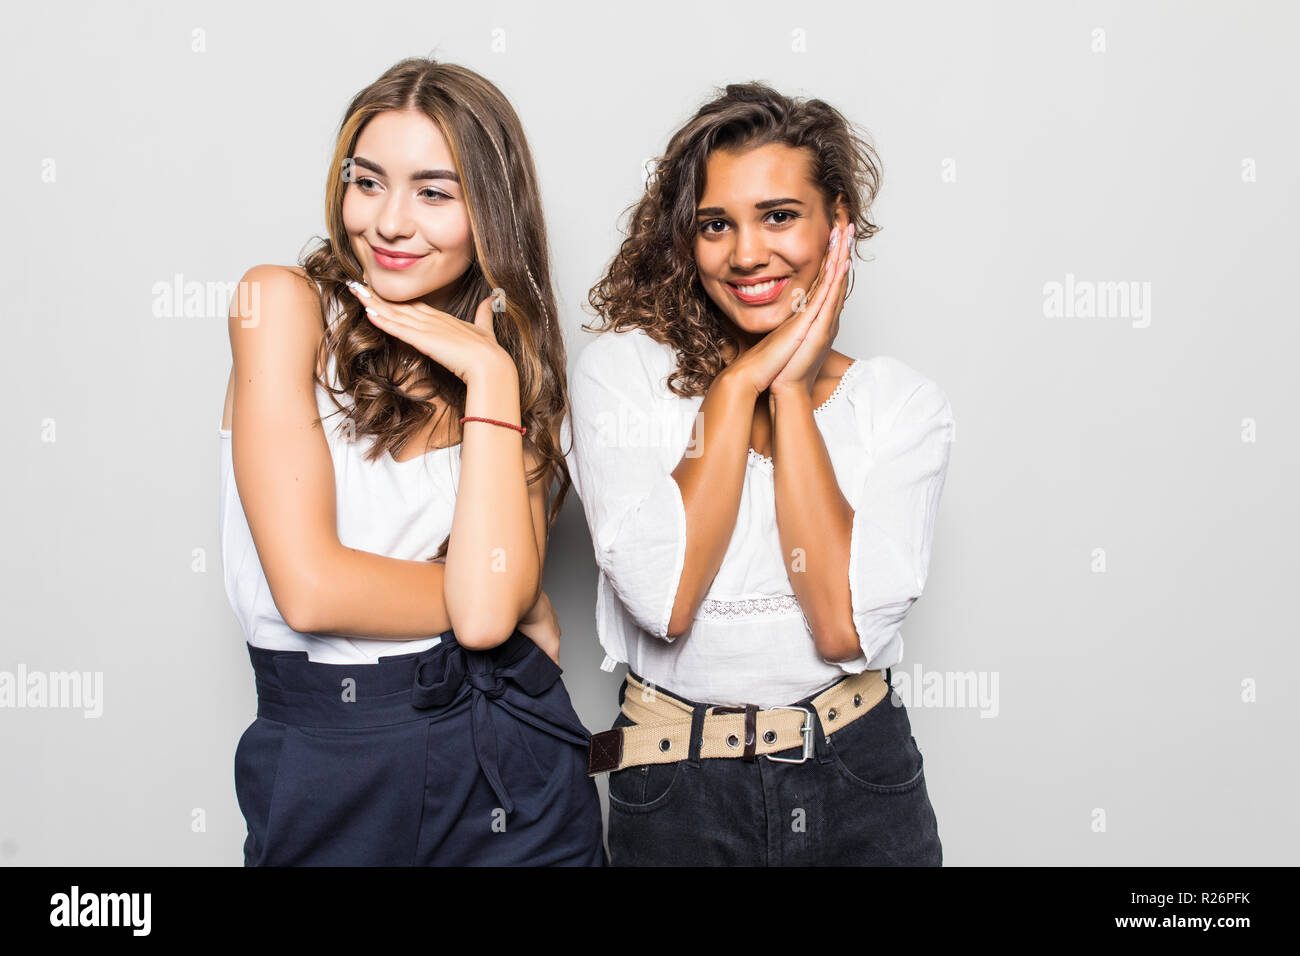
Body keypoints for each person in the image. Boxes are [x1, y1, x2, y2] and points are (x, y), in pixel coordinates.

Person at [219, 57, 604, 866]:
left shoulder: (512, 371)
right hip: (332, 750)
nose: (391, 223)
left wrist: (492, 375)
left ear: (491, 212)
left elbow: (491, 616)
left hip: (513, 748)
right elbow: (312, 590)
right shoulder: (280, 306)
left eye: (435, 192)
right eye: (369, 182)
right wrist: (489, 597)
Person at [565, 82, 954, 866]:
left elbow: (842, 625)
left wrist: (787, 390)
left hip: (857, 771)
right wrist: (739, 387)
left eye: (779, 215)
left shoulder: (899, 403)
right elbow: (666, 599)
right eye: (716, 224)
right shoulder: (621, 378)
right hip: (676, 784)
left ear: (836, 224)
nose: (746, 254)